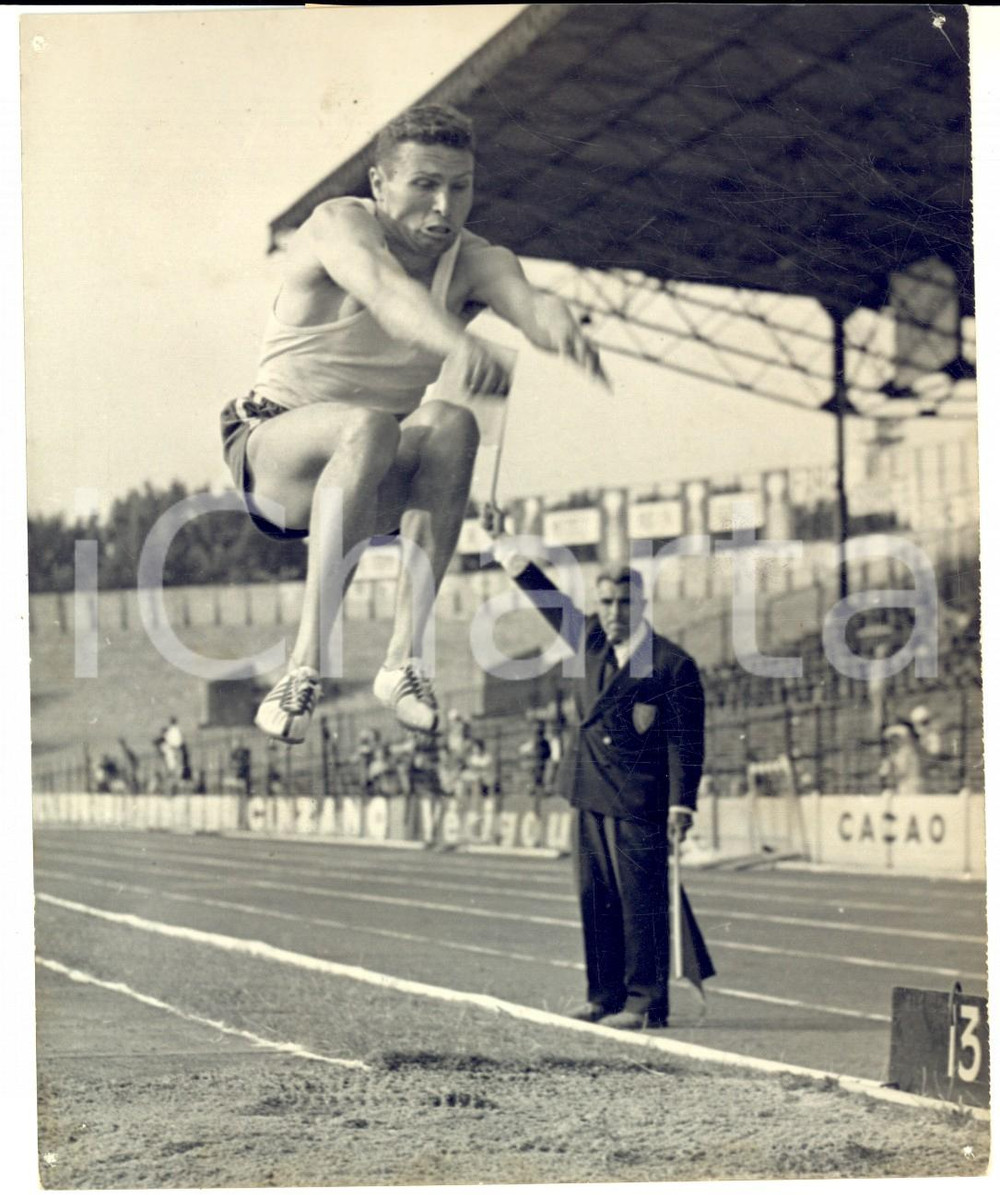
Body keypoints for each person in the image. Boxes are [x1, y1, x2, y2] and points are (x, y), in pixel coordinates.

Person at [221, 104, 602, 744]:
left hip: (369, 479)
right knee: (368, 425)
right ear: (378, 184)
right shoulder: (337, 225)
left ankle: (402, 662)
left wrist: (555, 321)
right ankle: (302, 667)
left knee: (452, 423)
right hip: (278, 453)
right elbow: (387, 296)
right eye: (425, 185)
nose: (444, 208)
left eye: (461, 188)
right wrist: (458, 343)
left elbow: (527, 304)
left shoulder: (478, 259)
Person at [490, 530, 711, 1030]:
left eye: (624, 602)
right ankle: (603, 995)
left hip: (640, 799)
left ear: (642, 603)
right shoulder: (587, 638)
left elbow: (685, 741)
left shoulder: (672, 662)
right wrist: (502, 540)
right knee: (595, 899)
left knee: (641, 901)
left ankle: (644, 1002)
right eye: (606, 602)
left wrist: (683, 804)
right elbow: (545, 597)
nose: (613, 611)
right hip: (588, 789)